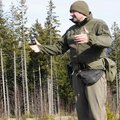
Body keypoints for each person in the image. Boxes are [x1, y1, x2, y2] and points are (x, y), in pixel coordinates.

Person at [30, 1, 112, 120]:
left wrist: (90, 38)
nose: (71, 14)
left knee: (97, 113)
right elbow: (58, 48)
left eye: (74, 12)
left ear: (82, 11)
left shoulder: (98, 24)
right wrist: (40, 48)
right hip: (77, 75)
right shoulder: (71, 30)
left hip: (95, 74)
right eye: (70, 12)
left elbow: (107, 41)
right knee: (82, 113)